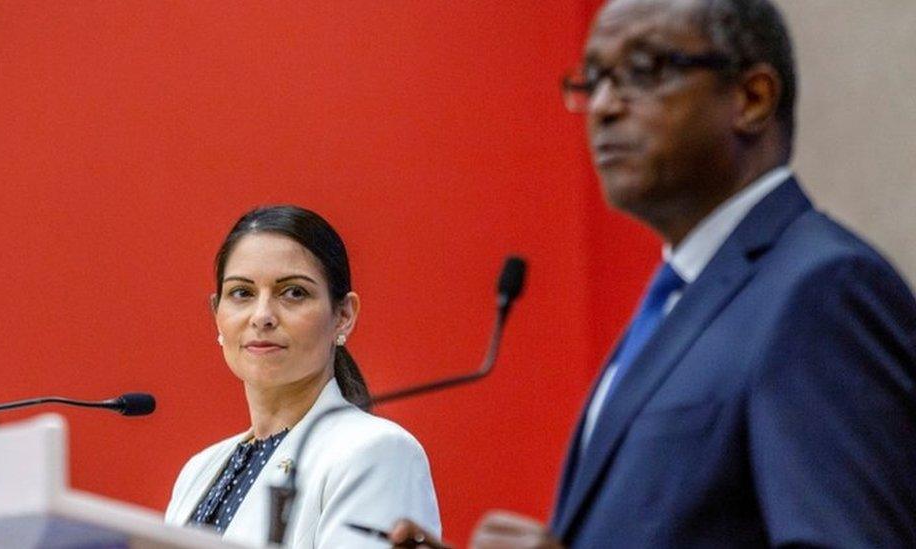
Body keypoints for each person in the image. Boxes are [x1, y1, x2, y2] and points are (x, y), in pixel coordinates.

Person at [390, 0, 916, 546]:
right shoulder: (683, 295)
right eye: (593, 79)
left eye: (644, 71)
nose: (603, 105)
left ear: (752, 98)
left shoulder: (822, 290)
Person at [165, 205, 441, 547]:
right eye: (242, 293)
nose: (262, 316)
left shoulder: (377, 451)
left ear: (343, 316)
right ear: (216, 314)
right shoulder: (199, 470)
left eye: (293, 292)